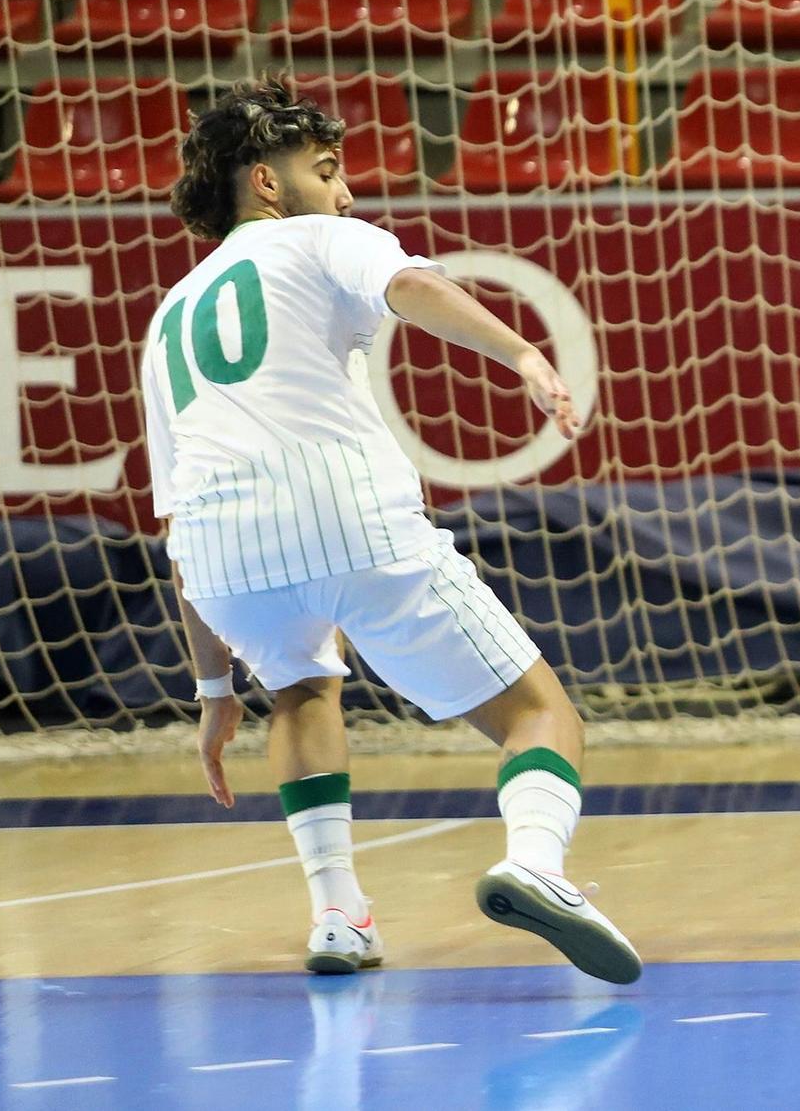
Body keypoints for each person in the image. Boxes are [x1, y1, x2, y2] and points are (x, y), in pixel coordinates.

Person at [141, 76, 642, 979]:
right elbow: (413, 283)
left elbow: (173, 515)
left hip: (220, 558)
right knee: (540, 714)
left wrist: (214, 692)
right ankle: (536, 865)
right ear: (265, 182)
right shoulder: (318, 235)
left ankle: (338, 915)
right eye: (325, 170)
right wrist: (524, 352)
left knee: (297, 688)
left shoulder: (168, 315)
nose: (346, 192)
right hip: (344, 514)